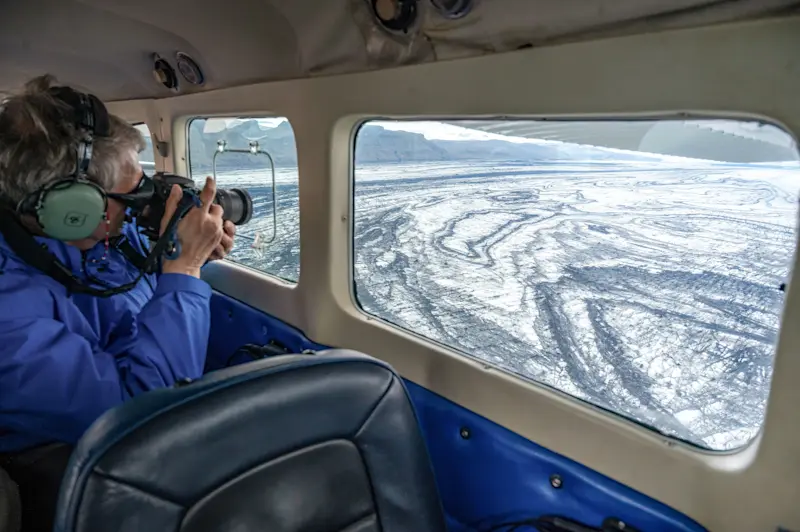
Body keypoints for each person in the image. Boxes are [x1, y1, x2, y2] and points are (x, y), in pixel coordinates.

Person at [0, 75, 236, 531]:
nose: (135, 207)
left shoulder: (89, 238)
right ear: (72, 207)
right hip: (78, 474)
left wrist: (189, 250)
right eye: (125, 198)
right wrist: (183, 271)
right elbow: (146, 417)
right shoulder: (9, 319)